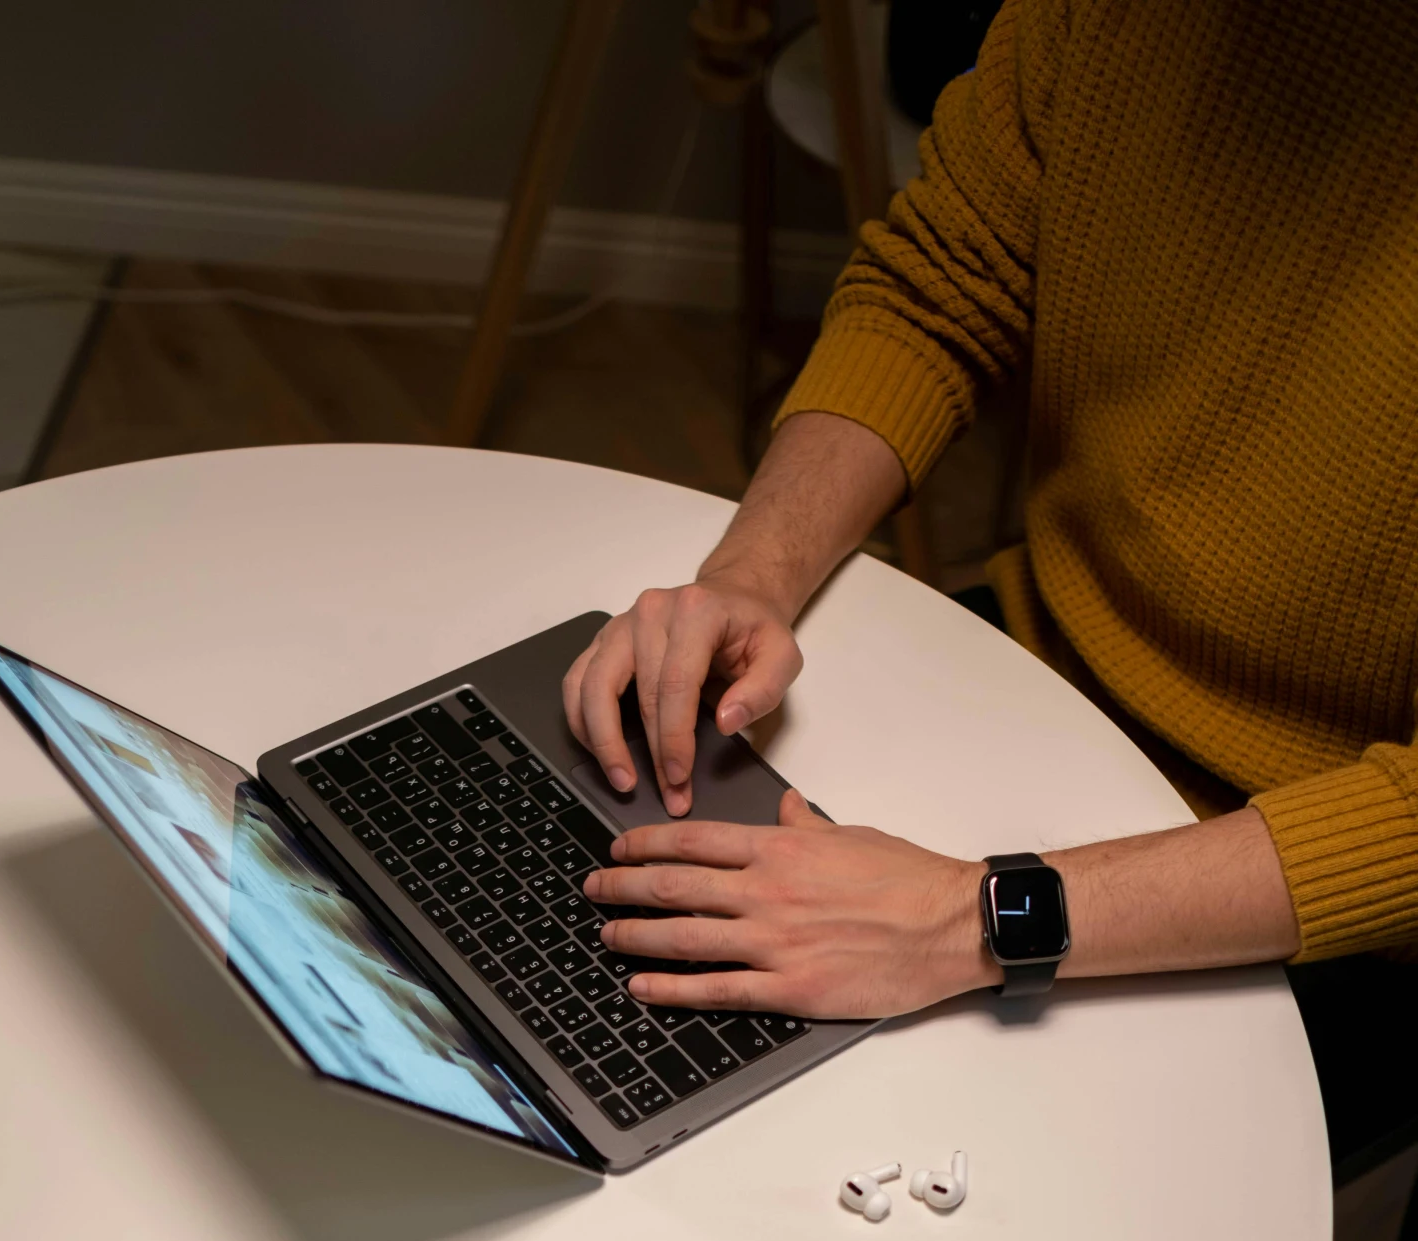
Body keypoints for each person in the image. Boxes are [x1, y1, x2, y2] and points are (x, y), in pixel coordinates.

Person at [560, 0, 1418, 1022]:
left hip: (1323, 880)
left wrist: (960, 920)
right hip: (1039, 659)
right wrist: (750, 574)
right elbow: (939, 285)